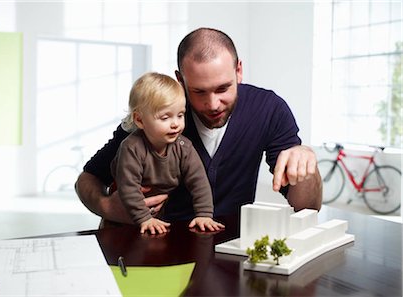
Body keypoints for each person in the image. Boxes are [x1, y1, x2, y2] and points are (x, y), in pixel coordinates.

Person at [75, 27, 322, 226]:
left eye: (223, 88)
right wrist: (107, 207)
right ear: (180, 80)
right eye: (198, 92)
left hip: (230, 247)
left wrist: (307, 162)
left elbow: (307, 208)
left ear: (239, 71)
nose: (213, 104)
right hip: (158, 243)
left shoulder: (269, 109)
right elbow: (87, 179)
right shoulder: (154, 111)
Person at [110, 72, 224, 234]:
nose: (175, 124)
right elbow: (129, 187)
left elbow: (199, 181)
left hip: (158, 214)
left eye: (180, 115)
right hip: (123, 216)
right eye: (165, 118)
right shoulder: (132, 147)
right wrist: (144, 218)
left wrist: (204, 214)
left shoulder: (184, 147)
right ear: (140, 120)